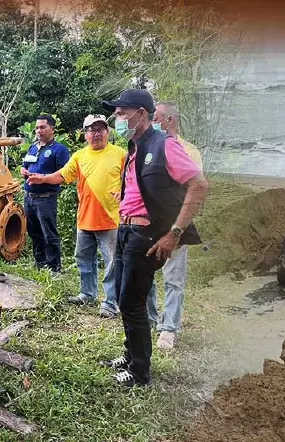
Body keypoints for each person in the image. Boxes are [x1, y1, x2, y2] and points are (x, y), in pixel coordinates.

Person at [98, 89, 208, 387]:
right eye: (117, 114)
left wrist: (174, 233)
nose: (116, 119)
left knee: (133, 302)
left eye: (122, 113)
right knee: (124, 297)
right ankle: (131, 355)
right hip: (125, 230)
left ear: (141, 115)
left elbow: (198, 186)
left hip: (145, 235)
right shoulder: (135, 148)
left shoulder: (164, 145)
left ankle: (140, 373)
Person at [27, 115, 126, 318]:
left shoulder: (121, 155)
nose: (96, 133)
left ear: (108, 132)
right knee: (83, 259)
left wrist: (125, 193)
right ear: (85, 134)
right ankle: (88, 294)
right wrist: (43, 178)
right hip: (85, 218)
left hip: (111, 219)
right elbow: (63, 175)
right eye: (91, 130)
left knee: (111, 264)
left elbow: (133, 181)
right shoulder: (80, 156)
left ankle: (111, 303)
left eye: (100, 129)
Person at [147, 102, 204, 351]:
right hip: (147, 224)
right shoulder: (146, 145)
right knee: (145, 276)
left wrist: (178, 228)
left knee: (173, 278)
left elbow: (193, 189)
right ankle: (149, 320)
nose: (152, 121)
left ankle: (168, 329)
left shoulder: (188, 151)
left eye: (156, 117)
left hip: (173, 223)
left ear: (169, 120)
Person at [20, 115, 71, 275]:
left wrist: (43, 180)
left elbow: (64, 175)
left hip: (46, 198)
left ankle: (54, 268)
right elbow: (25, 165)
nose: (39, 131)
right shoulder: (33, 147)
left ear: (52, 129)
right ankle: (40, 264)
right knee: (34, 232)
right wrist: (23, 170)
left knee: (49, 233)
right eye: (37, 128)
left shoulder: (59, 150)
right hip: (29, 197)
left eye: (43, 127)